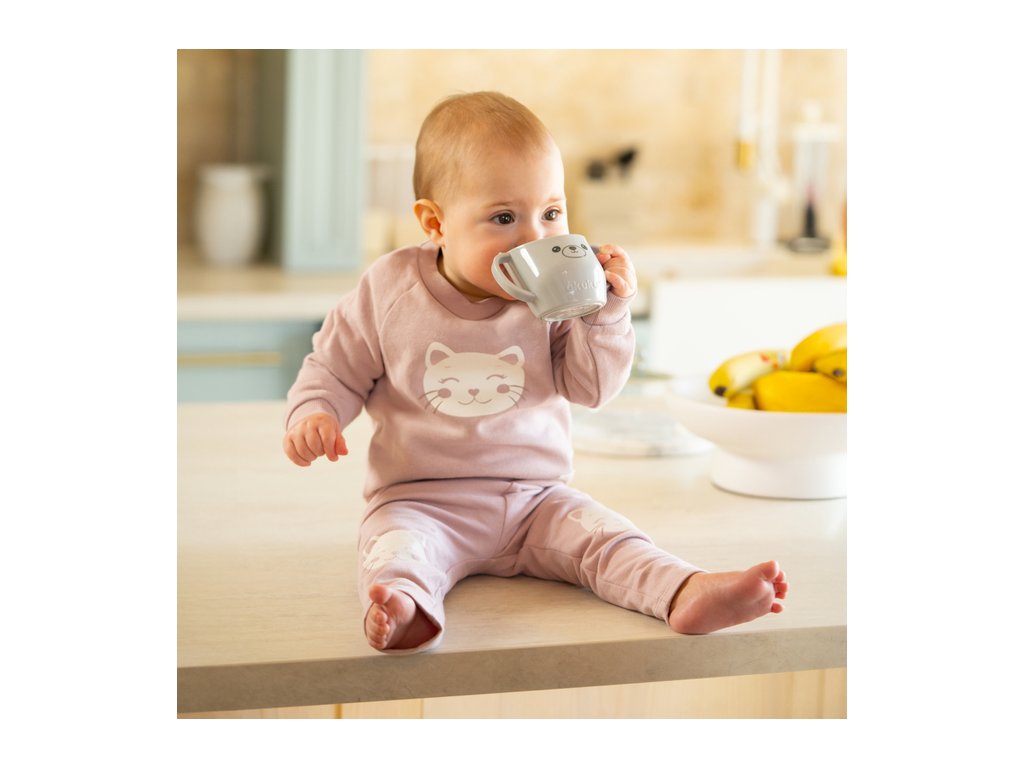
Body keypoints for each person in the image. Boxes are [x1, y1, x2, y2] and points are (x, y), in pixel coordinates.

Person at [283, 91, 788, 653]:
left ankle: (683, 589)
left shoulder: (555, 296)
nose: (536, 238)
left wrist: (605, 314)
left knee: (608, 539)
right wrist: (315, 412)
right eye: (504, 218)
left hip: (536, 500)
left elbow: (592, 390)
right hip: (419, 501)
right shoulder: (388, 289)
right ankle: (405, 605)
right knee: (394, 551)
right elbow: (334, 367)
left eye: (551, 213)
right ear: (435, 222)